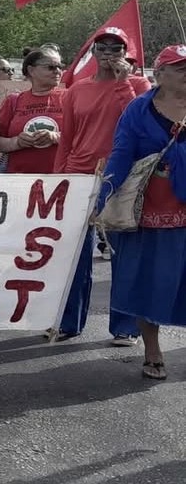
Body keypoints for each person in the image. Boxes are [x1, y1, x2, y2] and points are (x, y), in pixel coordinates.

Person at [53, 27, 149, 345]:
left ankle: (124, 326)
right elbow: (66, 138)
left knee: (123, 254)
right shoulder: (76, 90)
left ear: (126, 53)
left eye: (116, 48)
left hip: (121, 178)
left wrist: (123, 83)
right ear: (92, 53)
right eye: (102, 47)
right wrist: (59, 178)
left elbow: (138, 122)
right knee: (73, 255)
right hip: (79, 174)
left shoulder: (138, 85)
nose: (108, 53)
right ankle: (68, 321)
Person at [102, 45, 186, 380]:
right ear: (159, 74)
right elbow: (121, 153)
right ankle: (152, 350)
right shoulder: (139, 109)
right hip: (148, 211)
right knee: (148, 283)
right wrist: (102, 199)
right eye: (179, 67)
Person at [0, 48, 65, 174]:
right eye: (50, 67)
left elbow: (84, 137)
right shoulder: (14, 101)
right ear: (31, 70)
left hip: (60, 178)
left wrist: (55, 137)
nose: (57, 71)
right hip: (19, 180)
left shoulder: (71, 98)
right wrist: (17, 142)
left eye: (59, 66)